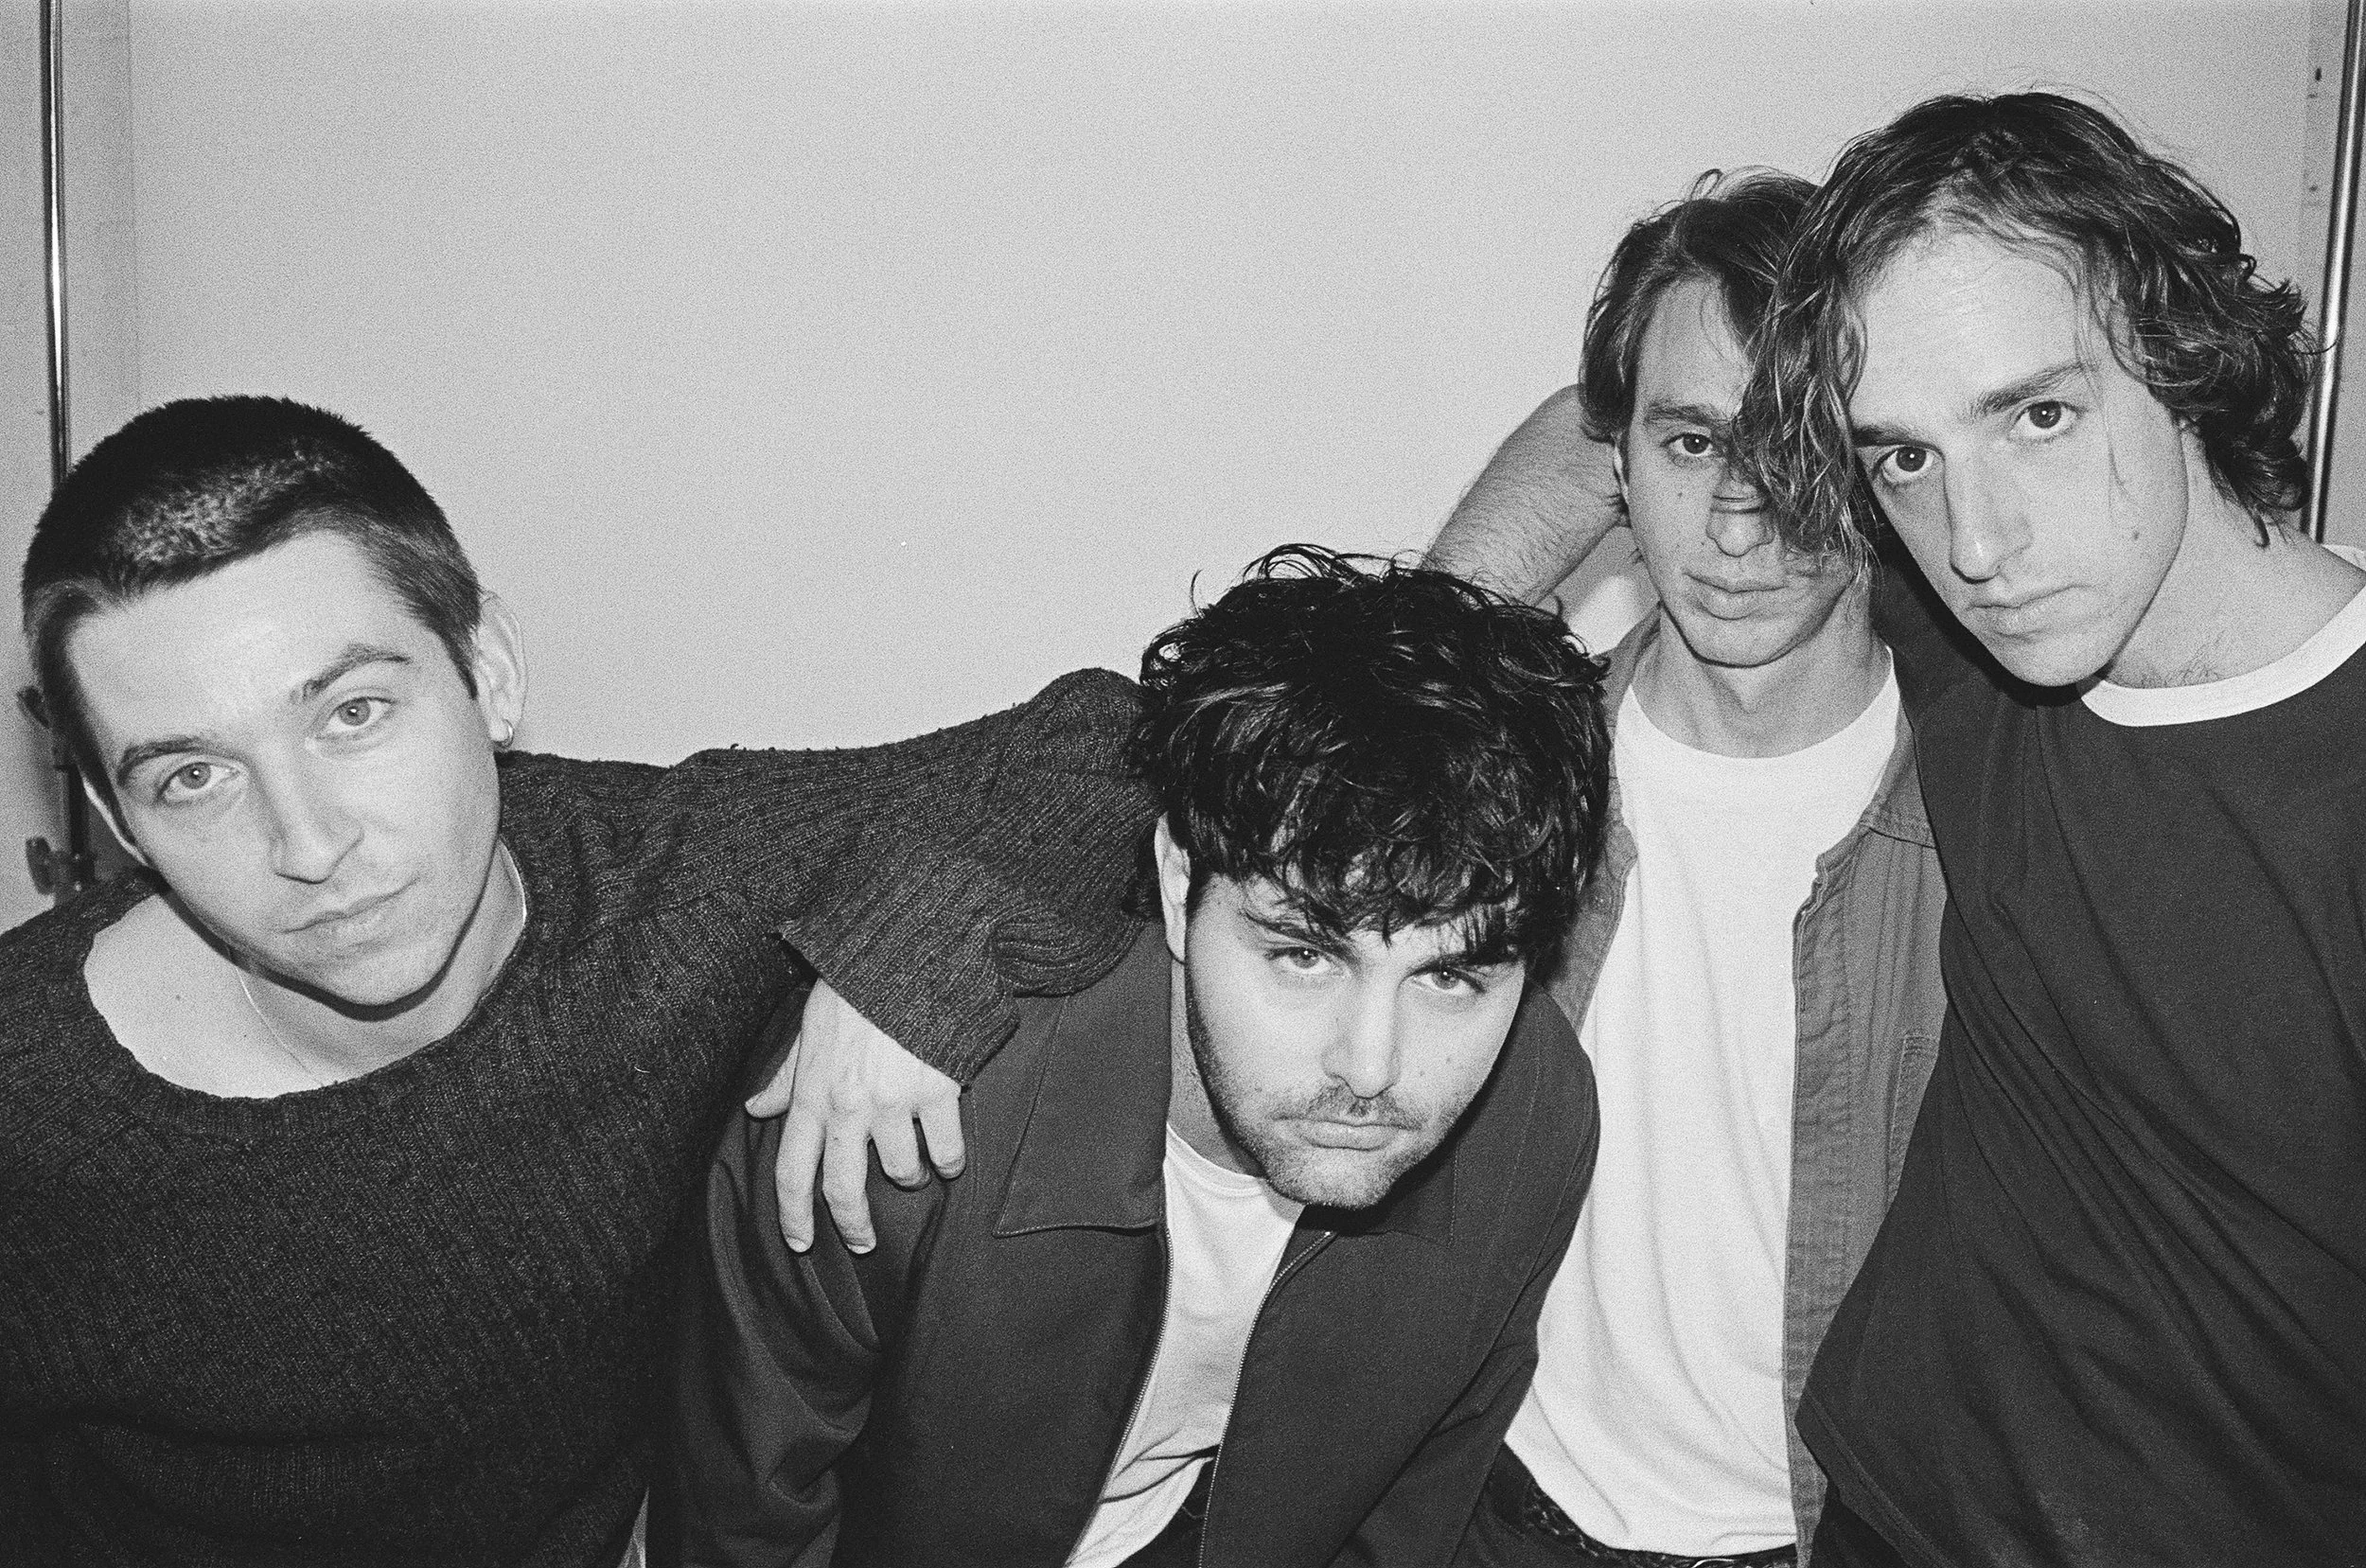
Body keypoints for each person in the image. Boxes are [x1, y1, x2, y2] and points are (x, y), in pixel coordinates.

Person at [0, 395, 1155, 1566]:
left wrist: (915, 954)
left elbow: (1113, 737)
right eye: (192, 777)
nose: (307, 844)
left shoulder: (672, 885)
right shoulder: (29, 1095)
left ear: (490, 670)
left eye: (353, 713)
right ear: (117, 819)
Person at [663, 547, 1612, 1568]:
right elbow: (741, 1526)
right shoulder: (898, 1112)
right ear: (1177, 881)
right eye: (1302, 954)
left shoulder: (1535, 1116)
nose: (1371, 1065)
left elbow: (1406, 1519)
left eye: (1451, 976)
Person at [1736, 94, 2366, 1565]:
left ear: (2179, 349)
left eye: (2038, 416)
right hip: (1887, 1513)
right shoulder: (1984, 643)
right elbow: (1640, 398)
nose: (1977, 543)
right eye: (1905, 457)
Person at [1423, 173, 1946, 1567]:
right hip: (1493, 1510)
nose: (1736, 522)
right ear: (1616, 459)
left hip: (1831, 1536)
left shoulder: (1994, 818)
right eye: (1693, 441)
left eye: (1797, 445)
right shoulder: (1509, 782)